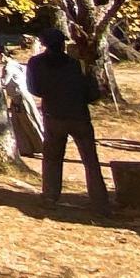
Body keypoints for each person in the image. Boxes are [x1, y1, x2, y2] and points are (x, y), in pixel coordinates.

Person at [26, 27, 112, 216]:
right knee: (90, 160)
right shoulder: (75, 64)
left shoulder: (36, 63)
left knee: (52, 159)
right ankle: (100, 201)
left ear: (44, 44)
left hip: (54, 115)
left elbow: (34, 89)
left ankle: (50, 197)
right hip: (79, 116)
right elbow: (93, 92)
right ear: (62, 44)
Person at [1, 39, 45, 158]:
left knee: (30, 121)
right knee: (18, 123)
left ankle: (43, 147)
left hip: (21, 97)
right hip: (16, 97)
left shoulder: (9, 67)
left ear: (1, 55)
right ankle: (26, 148)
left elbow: (4, 82)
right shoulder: (16, 64)